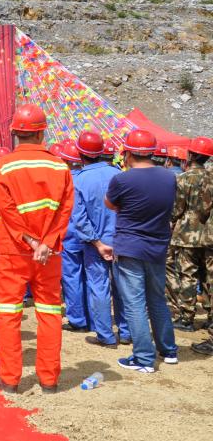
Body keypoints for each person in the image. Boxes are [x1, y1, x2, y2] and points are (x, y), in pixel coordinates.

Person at [0, 104, 74, 394]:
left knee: (9, 314)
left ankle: (10, 379)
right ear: (42, 133)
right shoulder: (60, 166)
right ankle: (49, 380)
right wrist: (47, 243)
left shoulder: (4, 166)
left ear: (15, 132)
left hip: (13, 251)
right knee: (50, 313)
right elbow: (65, 210)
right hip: (48, 255)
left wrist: (30, 241)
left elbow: (7, 209)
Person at [105, 129, 178, 372]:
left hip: (130, 247)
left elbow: (109, 203)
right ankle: (168, 350)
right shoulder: (169, 177)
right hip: (157, 246)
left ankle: (144, 358)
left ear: (127, 153)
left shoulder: (122, 179)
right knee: (157, 299)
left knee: (134, 303)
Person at [73, 131, 130, 348]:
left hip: (94, 244)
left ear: (80, 154)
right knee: (122, 287)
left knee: (99, 288)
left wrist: (97, 243)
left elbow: (80, 218)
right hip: (121, 241)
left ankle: (105, 335)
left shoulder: (79, 180)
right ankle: (126, 332)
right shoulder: (118, 174)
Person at [165, 136, 213, 331]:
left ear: (191, 155)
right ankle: (210, 316)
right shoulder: (211, 176)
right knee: (208, 277)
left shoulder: (183, 178)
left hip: (186, 235)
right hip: (209, 234)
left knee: (187, 275)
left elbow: (177, 208)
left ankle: (186, 318)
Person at [60, 140, 89, 333]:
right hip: (90, 236)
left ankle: (77, 319)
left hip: (69, 236)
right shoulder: (88, 178)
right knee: (91, 279)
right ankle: (93, 318)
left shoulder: (62, 180)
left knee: (72, 278)